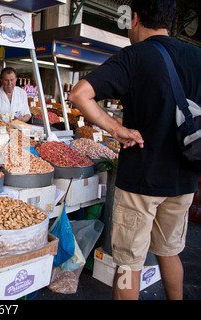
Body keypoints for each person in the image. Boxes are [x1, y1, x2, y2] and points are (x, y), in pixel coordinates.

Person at [69, 0, 200, 300]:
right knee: (170, 252)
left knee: (129, 264)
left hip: (142, 179)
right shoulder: (196, 57)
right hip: (184, 178)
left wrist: (115, 129)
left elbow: (80, 94)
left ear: (136, 18)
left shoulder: (134, 56)